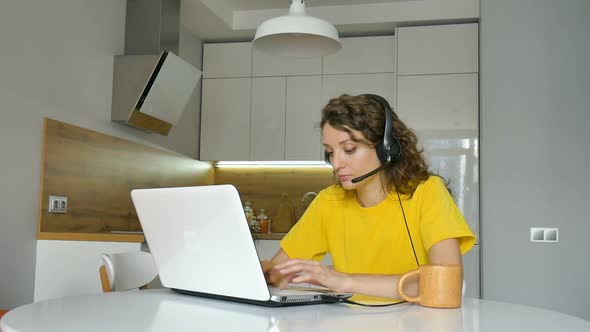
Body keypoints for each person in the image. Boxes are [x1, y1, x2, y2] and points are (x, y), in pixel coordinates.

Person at [261, 93, 475, 303]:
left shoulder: (428, 192)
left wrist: (343, 281)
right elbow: (278, 272)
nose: (336, 164)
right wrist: (266, 272)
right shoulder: (329, 201)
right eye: (330, 152)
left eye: (349, 149)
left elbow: (446, 287)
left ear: (385, 148)